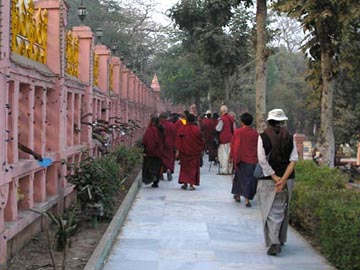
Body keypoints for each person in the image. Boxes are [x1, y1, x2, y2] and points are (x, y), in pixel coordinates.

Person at [256, 108, 298, 256]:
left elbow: (262, 160)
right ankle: (279, 239)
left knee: (269, 210)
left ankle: (274, 242)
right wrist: (283, 180)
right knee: (281, 209)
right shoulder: (290, 136)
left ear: (269, 121)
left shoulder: (262, 137)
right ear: (283, 122)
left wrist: (275, 178)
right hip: (288, 179)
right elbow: (293, 160)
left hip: (268, 180)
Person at [230, 112, 258, 207]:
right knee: (248, 179)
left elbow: (234, 145)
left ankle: (239, 196)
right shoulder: (255, 133)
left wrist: (233, 157)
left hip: (240, 159)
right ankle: (245, 199)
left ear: (242, 122)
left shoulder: (238, 132)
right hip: (251, 159)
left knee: (239, 177)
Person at [175, 114, 204, 190]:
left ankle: (185, 183)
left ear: (187, 120)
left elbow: (178, 140)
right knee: (193, 169)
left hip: (184, 153)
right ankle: (191, 185)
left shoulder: (182, 128)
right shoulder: (196, 129)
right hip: (194, 153)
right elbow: (200, 140)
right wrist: (200, 149)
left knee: (185, 168)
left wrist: (178, 150)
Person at [142, 116, 165, 188]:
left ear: (153, 122)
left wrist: (145, 150)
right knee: (157, 167)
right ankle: (156, 182)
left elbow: (145, 140)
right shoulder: (161, 129)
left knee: (148, 166)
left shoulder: (150, 130)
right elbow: (163, 139)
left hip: (150, 151)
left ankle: (151, 177)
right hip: (159, 151)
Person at [216, 105, 234, 174]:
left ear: (222, 111)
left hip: (223, 139)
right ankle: (230, 170)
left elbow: (218, 128)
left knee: (223, 155)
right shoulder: (231, 118)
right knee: (230, 155)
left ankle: (224, 170)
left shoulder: (222, 119)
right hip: (231, 138)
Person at [159, 112, 177, 181]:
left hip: (161, 144)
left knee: (161, 159)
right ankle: (169, 170)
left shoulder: (160, 125)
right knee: (170, 158)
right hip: (170, 144)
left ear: (161, 118)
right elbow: (175, 134)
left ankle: (160, 174)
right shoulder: (171, 125)